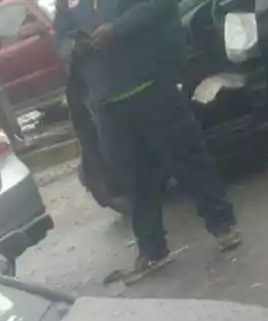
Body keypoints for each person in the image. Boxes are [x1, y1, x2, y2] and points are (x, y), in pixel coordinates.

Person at [55, 0, 238, 279]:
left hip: (152, 83)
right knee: (133, 178)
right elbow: (61, 35)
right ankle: (152, 250)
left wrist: (117, 29)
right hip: (106, 102)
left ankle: (223, 224)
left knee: (186, 157)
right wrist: (72, 47)